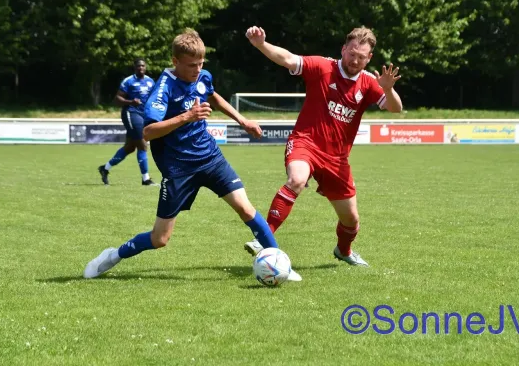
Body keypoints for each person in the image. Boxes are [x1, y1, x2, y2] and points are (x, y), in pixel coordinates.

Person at [84, 29, 302, 281]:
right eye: (191, 65)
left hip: (210, 157)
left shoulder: (202, 76)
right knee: (160, 239)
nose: (197, 69)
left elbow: (211, 94)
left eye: (201, 63)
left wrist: (242, 120)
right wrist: (186, 117)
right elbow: (148, 132)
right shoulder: (163, 88)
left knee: (245, 208)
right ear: (175, 62)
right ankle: (114, 255)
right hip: (178, 169)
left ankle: (280, 262)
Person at [242, 25, 403, 267]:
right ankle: (264, 238)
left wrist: (388, 89)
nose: (355, 60)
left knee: (351, 219)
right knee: (296, 179)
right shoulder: (322, 66)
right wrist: (261, 45)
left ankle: (344, 251)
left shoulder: (369, 82)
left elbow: (395, 108)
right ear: (343, 49)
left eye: (361, 57)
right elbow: (287, 58)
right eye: (352, 53)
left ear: (369, 58)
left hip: (337, 159)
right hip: (305, 142)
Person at [98, 58, 156, 186]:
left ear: (146, 67)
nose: (141, 68)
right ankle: (145, 179)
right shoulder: (128, 81)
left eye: (143, 66)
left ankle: (105, 168)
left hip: (143, 115)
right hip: (131, 113)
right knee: (142, 144)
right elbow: (117, 99)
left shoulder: (150, 82)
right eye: (138, 66)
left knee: (129, 148)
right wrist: (131, 102)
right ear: (134, 68)